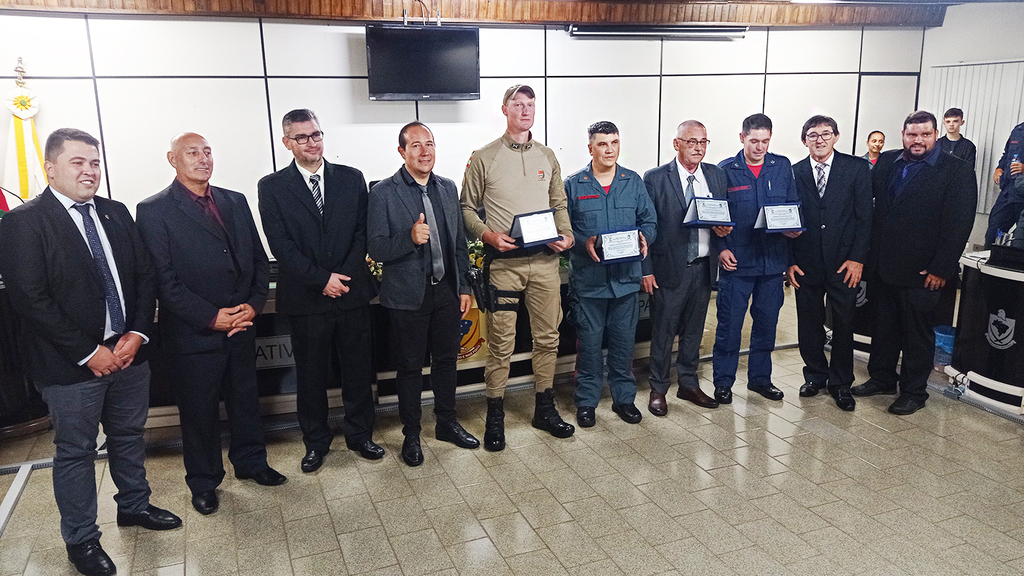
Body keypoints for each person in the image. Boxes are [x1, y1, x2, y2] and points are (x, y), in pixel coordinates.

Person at [0, 129, 181, 576]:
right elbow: (29, 298)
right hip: (70, 367)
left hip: (128, 353)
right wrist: (88, 352)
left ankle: (134, 506)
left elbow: (144, 277)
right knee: (76, 452)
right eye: (78, 162)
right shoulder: (24, 221)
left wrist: (137, 333)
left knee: (127, 436)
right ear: (51, 168)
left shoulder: (116, 212)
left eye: (95, 163)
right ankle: (81, 540)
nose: (89, 171)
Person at [136, 133, 286, 516]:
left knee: (245, 401)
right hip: (193, 332)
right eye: (192, 153)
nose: (203, 159)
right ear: (173, 159)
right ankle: (203, 483)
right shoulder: (154, 210)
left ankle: (252, 463)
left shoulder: (234, 201)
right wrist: (211, 317)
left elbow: (257, 258)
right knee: (198, 412)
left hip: (241, 323)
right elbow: (163, 280)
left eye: (207, 152)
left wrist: (252, 306)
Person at [258, 109, 384, 471]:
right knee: (311, 375)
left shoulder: (351, 178)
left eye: (316, 135)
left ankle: (361, 435)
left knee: (358, 370)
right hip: (306, 297)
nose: (311, 142)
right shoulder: (272, 187)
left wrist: (340, 276)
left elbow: (363, 231)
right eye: (302, 137)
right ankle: (316, 442)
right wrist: (321, 279)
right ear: (287, 143)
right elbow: (280, 244)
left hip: (351, 293)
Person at [461, 84, 576, 451]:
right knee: (500, 345)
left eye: (530, 104)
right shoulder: (484, 156)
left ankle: (544, 407)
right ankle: (495, 413)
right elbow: (465, 209)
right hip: (504, 267)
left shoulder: (547, 156)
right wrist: (488, 235)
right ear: (504, 109)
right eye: (518, 104)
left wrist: (567, 235)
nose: (525, 110)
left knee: (548, 339)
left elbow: (559, 203)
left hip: (545, 264)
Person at [367, 122, 479, 467]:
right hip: (407, 297)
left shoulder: (447, 188)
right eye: (415, 145)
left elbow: (459, 243)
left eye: (429, 144)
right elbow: (376, 247)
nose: (424, 151)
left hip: (446, 292)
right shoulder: (383, 193)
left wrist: (463, 287)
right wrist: (410, 238)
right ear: (402, 152)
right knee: (411, 368)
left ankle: (446, 423)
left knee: (446, 361)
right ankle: (411, 434)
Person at [851, 111, 977, 415]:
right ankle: (882, 378)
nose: (917, 140)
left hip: (923, 271)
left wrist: (941, 268)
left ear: (935, 135)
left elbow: (959, 224)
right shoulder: (888, 162)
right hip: (884, 265)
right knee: (884, 327)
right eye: (911, 134)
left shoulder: (956, 171)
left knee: (917, 333)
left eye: (924, 134)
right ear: (903, 135)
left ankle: (914, 391)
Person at [564, 121, 657, 426]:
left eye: (614, 143)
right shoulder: (574, 185)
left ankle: (624, 399)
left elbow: (649, 221)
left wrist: (645, 236)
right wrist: (583, 241)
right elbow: (564, 230)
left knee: (623, 344)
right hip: (589, 284)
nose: (609, 149)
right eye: (602, 144)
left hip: (625, 282)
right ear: (590, 147)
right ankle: (587, 401)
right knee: (589, 347)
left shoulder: (633, 182)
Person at [642, 120, 732, 416]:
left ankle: (689, 383)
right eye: (691, 141)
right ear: (676, 143)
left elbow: (722, 216)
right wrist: (647, 269)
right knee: (664, 332)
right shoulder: (655, 178)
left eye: (704, 142)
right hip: (669, 268)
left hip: (704, 267)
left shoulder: (716, 175)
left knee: (694, 331)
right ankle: (658, 388)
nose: (698, 147)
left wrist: (723, 232)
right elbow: (646, 227)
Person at [714, 113, 800, 404]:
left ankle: (760, 380)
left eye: (765, 141)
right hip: (737, 262)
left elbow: (793, 205)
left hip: (772, 262)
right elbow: (716, 215)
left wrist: (794, 231)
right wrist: (721, 247)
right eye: (754, 141)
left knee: (766, 324)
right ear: (742, 138)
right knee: (730, 326)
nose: (760, 147)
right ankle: (723, 382)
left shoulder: (781, 166)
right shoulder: (725, 170)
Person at [788, 116, 872, 412]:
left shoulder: (857, 169)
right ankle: (815, 375)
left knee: (844, 324)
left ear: (836, 137)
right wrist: (790, 261)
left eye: (826, 134)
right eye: (813, 135)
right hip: (806, 264)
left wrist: (858, 259)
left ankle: (840, 383)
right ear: (804, 141)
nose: (820, 140)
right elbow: (784, 218)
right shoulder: (793, 172)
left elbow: (865, 218)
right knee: (808, 323)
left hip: (844, 263)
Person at [985, 120, 1024, 247]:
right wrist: (999, 168)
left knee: (1019, 242)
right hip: (1008, 192)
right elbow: (1007, 154)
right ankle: (989, 264)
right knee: (993, 233)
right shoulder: (1018, 130)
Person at [937, 107, 977, 172]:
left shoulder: (969, 146)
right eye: (948, 121)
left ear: (962, 122)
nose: (951, 124)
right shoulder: (937, 144)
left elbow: (968, 170)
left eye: (955, 121)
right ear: (944, 123)